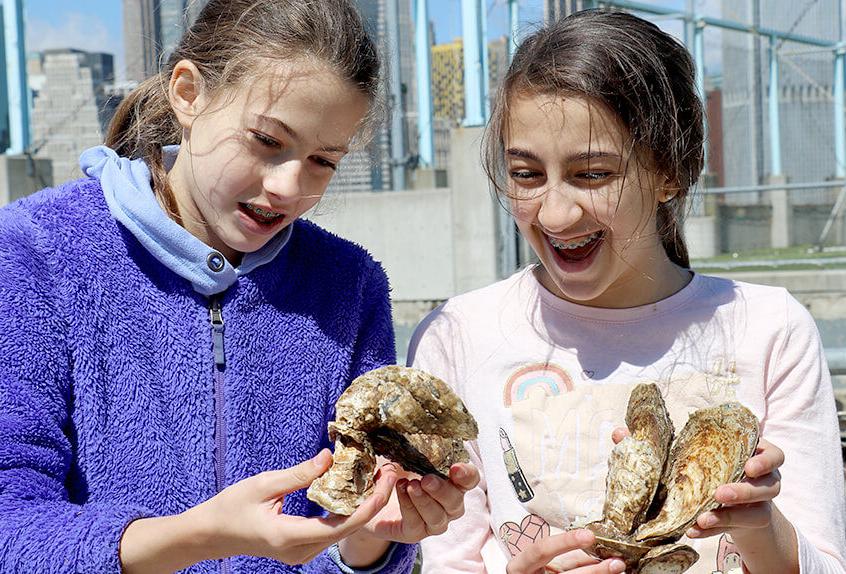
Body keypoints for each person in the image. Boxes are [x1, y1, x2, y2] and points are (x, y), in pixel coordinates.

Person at [0, 1, 478, 572]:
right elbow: (11, 525)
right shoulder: (35, 251)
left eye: (323, 161)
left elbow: (351, 542)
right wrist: (200, 537)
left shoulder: (349, 284)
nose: (288, 187)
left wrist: (370, 538)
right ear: (187, 93)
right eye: (266, 142)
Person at [408, 9, 846, 574]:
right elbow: (449, 560)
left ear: (670, 171)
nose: (556, 212)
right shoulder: (459, 336)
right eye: (525, 174)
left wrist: (762, 527)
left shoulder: (770, 329)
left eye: (593, 174)